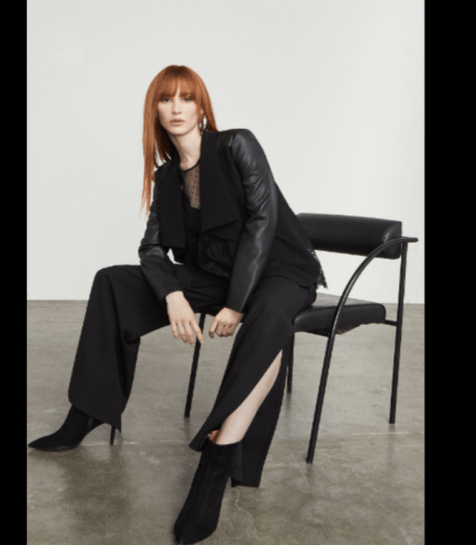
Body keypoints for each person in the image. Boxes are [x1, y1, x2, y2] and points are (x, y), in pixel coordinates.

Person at [28, 65, 326, 544]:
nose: (177, 108)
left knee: (270, 316)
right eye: (166, 100)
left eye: (187, 98)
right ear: (155, 111)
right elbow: (150, 250)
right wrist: (173, 296)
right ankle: (87, 410)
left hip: (279, 269)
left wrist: (235, 304)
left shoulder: (237, 145)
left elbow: (262, 223)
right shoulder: (167, 176)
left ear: (201, 106)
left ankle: (217, 458)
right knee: (113, 282)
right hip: (215, 273)